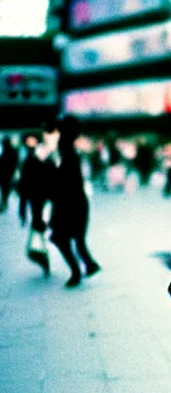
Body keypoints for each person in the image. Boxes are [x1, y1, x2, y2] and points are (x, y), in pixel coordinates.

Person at [47, 117, 102, 287]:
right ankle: (89, 265)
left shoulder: (68, 157)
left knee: (61, 238)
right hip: (75, 204)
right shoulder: (69, 156)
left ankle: (78, 271)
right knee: (76, 239)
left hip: (69, 205)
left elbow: (64, 184)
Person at [18, 133, 51, 275]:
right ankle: (42, 254)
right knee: (38, 226)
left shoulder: (37, 161)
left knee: (38, 226)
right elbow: (25, 186)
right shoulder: (32, 162)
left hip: (42, 200)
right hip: (38, 200)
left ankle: (42, 255)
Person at [0, 136, 19, 213]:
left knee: (5, 189)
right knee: (6, 189)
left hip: (5, 174)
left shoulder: (6, 151)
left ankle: (4, 203)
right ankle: (5, 203)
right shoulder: (12, 151)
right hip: (8, 174)